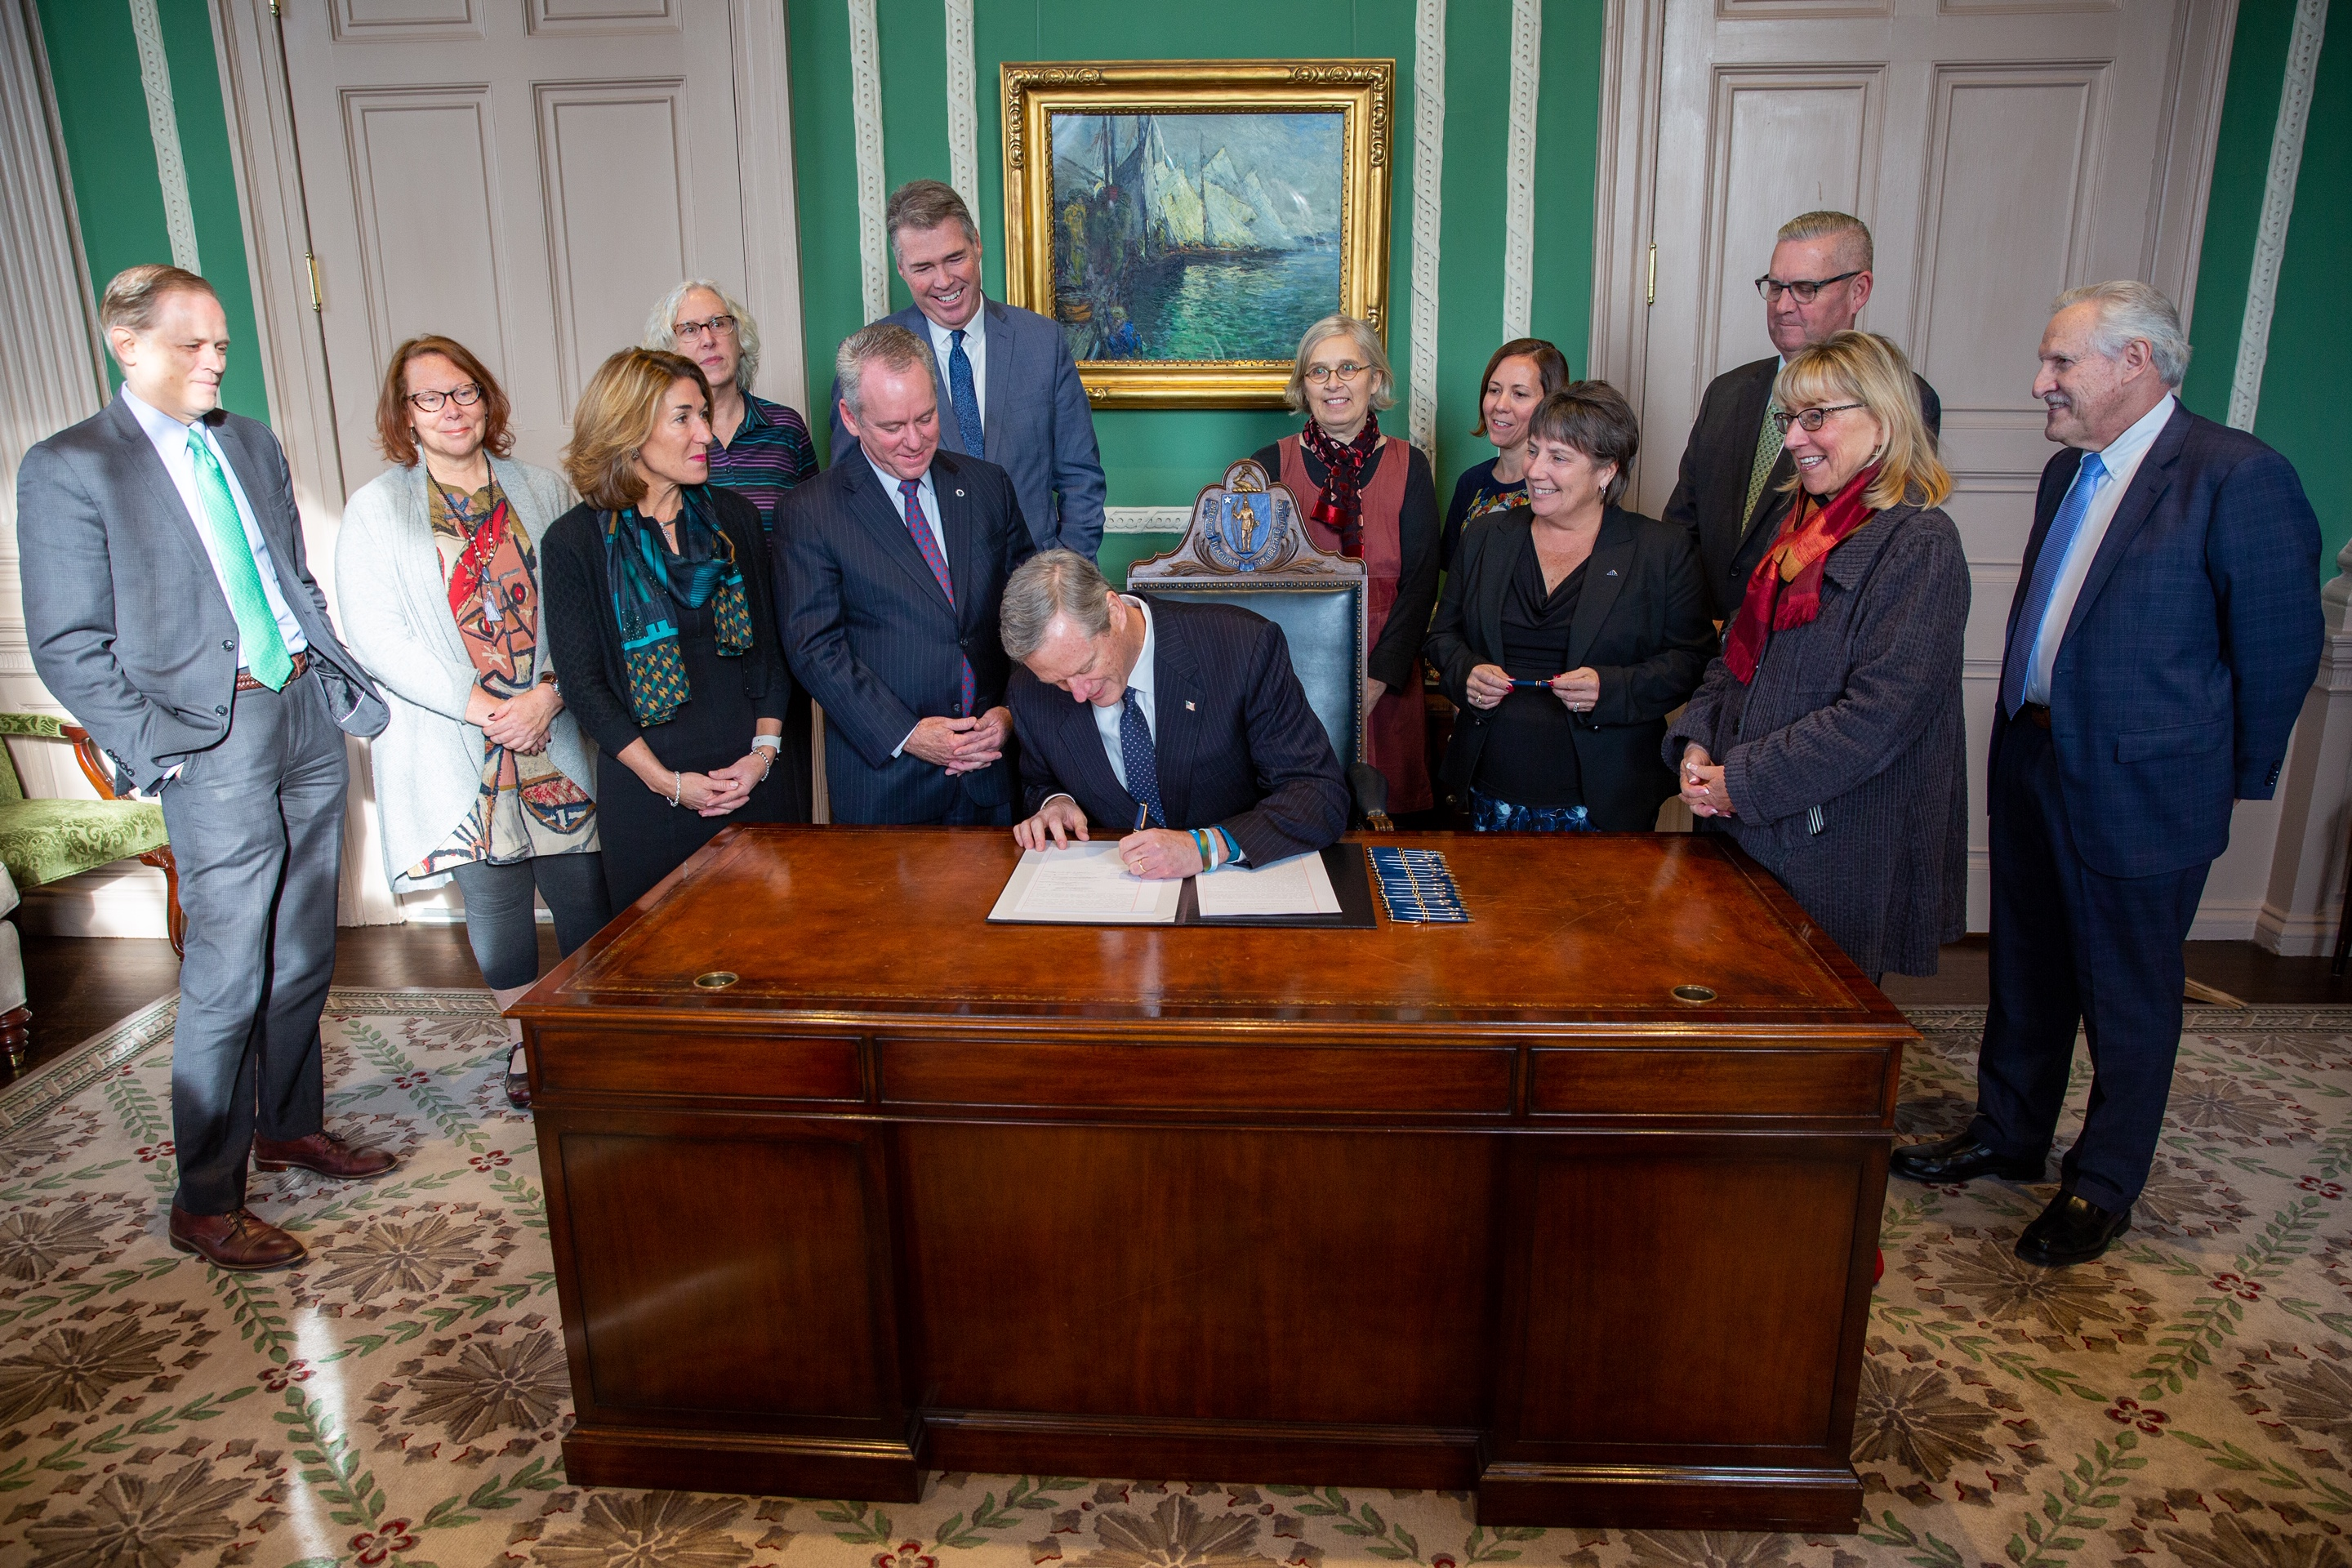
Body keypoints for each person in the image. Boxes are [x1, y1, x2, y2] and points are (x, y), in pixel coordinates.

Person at [1892, 283, 2323, 1268]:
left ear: (2137, 362)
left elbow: (2278, 652)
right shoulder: (2067, 474)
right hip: (2036, 755)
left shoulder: (2237, 476)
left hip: (2149, 787)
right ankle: (2009, 1132)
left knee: (2128, 994)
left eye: (2059, 365)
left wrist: (2222, 780)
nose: (2039, 383)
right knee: (2029, 964)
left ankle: (2103, 1185)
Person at [18, 265, 397, 1272]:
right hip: (208, 733)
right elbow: (67, 644)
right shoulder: (70, 467)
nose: (217, 359)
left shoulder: (251, 442)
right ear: (127, 344)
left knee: (306, 945)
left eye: (223, 342)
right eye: (194, 343)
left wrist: (324, 663)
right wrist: (162, 750)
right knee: (228, 972)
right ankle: (206, 1198)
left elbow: (288, 575)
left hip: (304, 708)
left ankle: (288, 1123)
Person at [336, 335, 608, 1111]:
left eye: (465, 393)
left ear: (488, 401)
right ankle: (528, 1047)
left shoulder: (541, 488)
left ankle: (587, 1035)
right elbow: (379, 636)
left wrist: (549, 694)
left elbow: (579, 605)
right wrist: (484, 707)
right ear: (405, 415)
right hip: (458, 741)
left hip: (549, 728)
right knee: (495, 907)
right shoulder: (376, 508)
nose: (451, 411)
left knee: (585, 891)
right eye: (430, 398)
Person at [1668, 330, 1970, 981]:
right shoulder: (1800, 528)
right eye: (1789, 419)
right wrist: (1697, 743)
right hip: (1746, 830)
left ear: (1885, 423)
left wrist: (1739, 783)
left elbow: (1875, 719)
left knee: (1813, 1054)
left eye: (1816, 418)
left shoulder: (1920, 544)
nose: (1794, 440)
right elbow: (1734, 658)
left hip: (1833, 847)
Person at [539, 349, 802, 912]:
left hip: (753, 781)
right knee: (665, 975)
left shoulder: (733, 518)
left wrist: (762, 755)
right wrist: (667, 782)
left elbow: (772, 651)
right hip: (649, 799)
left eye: (703, 414)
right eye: (684, 417)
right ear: (629, 431)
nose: (705, 433)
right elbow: (584, 686)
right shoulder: (574, 543)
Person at [1425, 382, 1713, 832]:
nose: (1535, 470)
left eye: (1558, 458)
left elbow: (1694, 662)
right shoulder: (1485, 536)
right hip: (1487, 788)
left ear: (1606, 471)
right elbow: (1443, 636)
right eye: (1534, 451)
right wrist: (1466, 673)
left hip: (1608, 797)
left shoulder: (1661, 550)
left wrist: (1611, 688)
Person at [783, 323, 1035, 825]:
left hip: (994, 772)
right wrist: (910, 734)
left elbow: (1032, 615)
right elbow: (814, 649)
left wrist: (1011, 712)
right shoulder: (811, 511)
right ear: (851, 419)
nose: (915, 441)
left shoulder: (988, 487)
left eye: (926, 417)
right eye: (893, 427)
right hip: (887, 783)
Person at [1664, 212, 1943, 622]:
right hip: (1704, 644)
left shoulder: (1900, 399)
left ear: (1858, 291)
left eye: (1805, 289)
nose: (1782, 305)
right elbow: (1682, 527)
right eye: (1775, 286)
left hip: (1803, 644)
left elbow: (1873, 550)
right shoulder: (1728, 391)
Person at [1001, 550, 1349, 878]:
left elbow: (1318, 794)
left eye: (1086, 667)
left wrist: (1208, 847)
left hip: (1235, 885)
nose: (1078, 693)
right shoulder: (1030, 692)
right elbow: (1039, 780)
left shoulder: (1244, 649)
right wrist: (1055, 802)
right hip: (1116, 894)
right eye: (1060, 681)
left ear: (1115, 612)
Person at [828, 179, 1106, 558]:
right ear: (901, 269)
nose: (944, 281)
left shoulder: (1043, 342)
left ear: (976, 243)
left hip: (1036, 590)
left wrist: (1064, 577)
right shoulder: (866, 358)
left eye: (954, 258)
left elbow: (1081, 479)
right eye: (923, 267)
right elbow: (854, 494)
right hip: (927, 594)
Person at [1251, 315, 1440, 817]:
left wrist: (1376, 682)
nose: (1334, 383)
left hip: (1389, 677)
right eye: (1318, 372)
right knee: (1296, 819)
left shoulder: (1410, 466)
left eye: (1348, 368)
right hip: (1291, 681)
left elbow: (1421, 585)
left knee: (1387, 833)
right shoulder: (1266, 466)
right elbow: (1249, 587)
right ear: (1303, 388)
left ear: (1374, 379)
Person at [644, 279, 819, 817]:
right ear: (667, 349)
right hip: (697, 648)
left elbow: (817, 533)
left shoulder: (784, 428)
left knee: (780, 804)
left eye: (721, 324)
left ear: (740, 338)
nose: (709, 338)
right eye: (691, 329)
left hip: (780, 644)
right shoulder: (654, 442)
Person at [1441, 338, 1570, 568]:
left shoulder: (1555, 488)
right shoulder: (1471, 482)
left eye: (1519, 394)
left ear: (1551, 403)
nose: (1500, 405)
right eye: (1494, 390)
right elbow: (1454, 578)